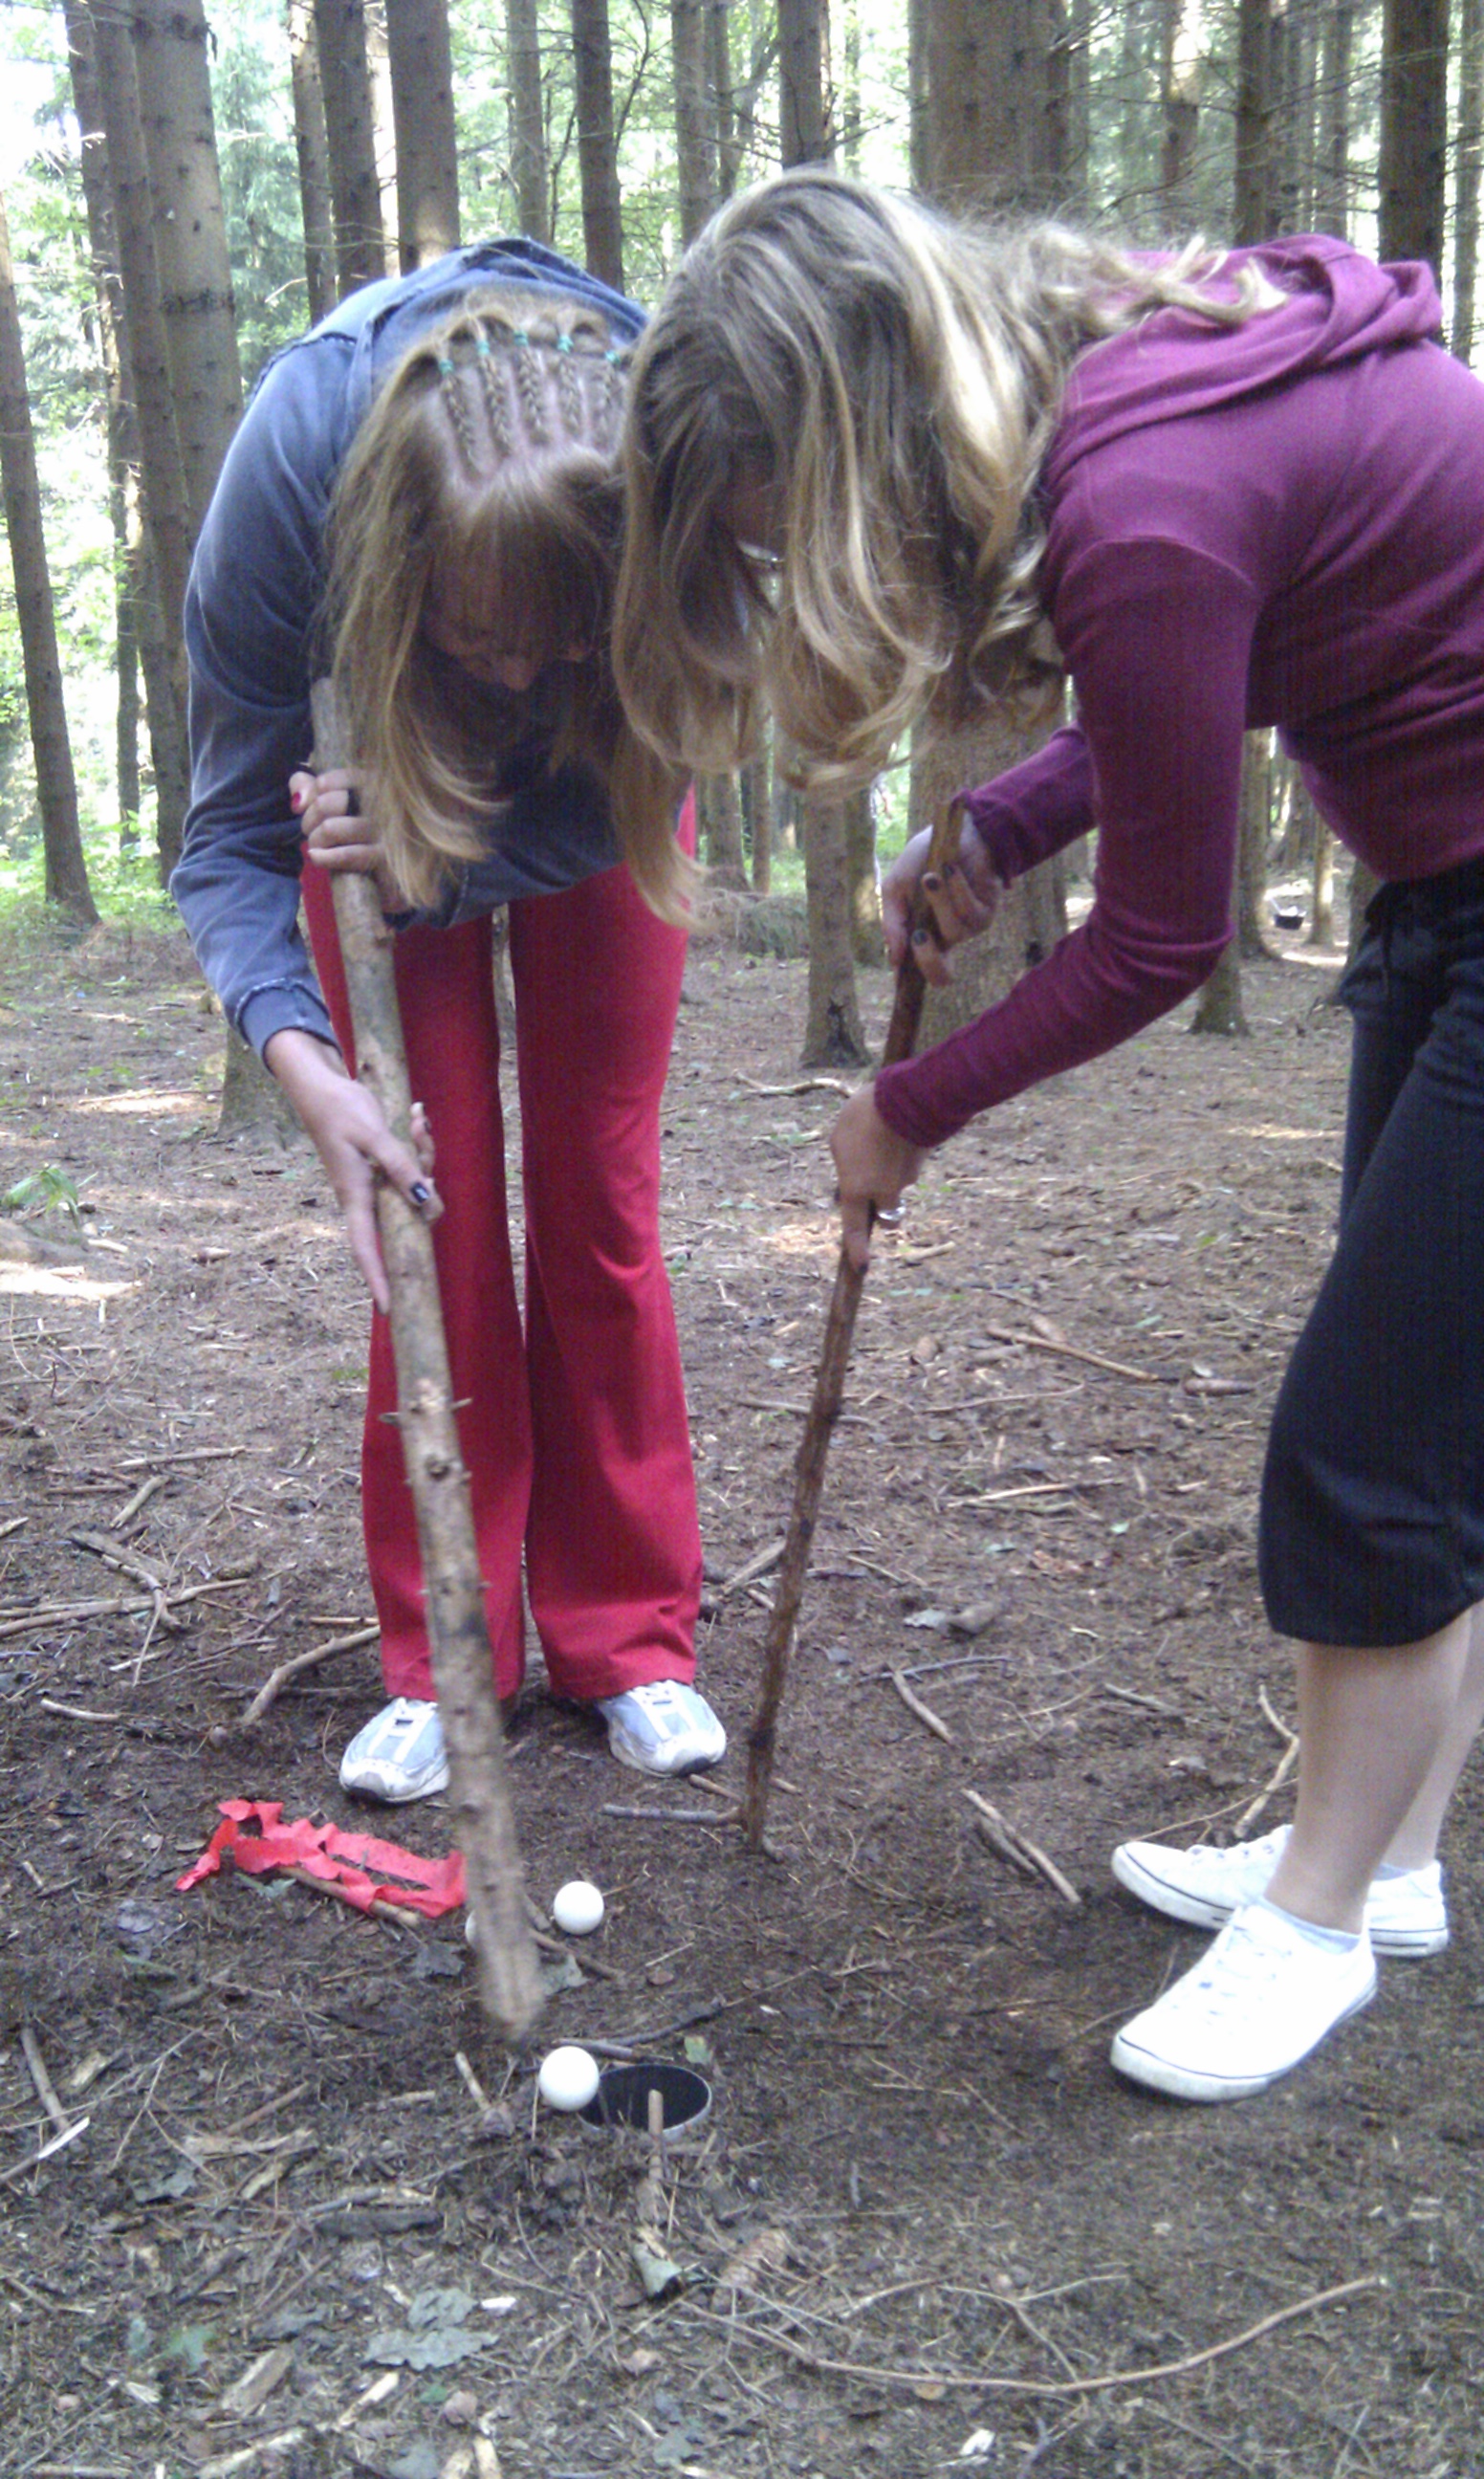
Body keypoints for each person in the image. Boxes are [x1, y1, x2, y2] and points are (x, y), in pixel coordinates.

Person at [612, 166, 1484, 2102]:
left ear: (860, 449)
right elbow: (1190, 673)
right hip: (1444, 894)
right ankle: (1380, 1861)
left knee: (1365, 1451)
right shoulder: (1122, 397)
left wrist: (904, 1109)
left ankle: (1316, 1926)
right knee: (1421, 1427)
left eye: (786, 528)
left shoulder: (1137, 489)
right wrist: (999, 823)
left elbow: (1163, 940)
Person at [173, 239, 726, 1803]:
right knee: (431, 1209)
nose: (519, 670)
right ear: (403, 563)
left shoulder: (679, 466)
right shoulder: (293, 482)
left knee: (600, 1196)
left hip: (611, 780)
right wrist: (304, 1070)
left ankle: (629, 1636)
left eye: (559, 633)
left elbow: (692, 732)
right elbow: (223, 843)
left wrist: (529, 742)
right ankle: (445, 1651)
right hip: (376, 800)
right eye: (489, 635)